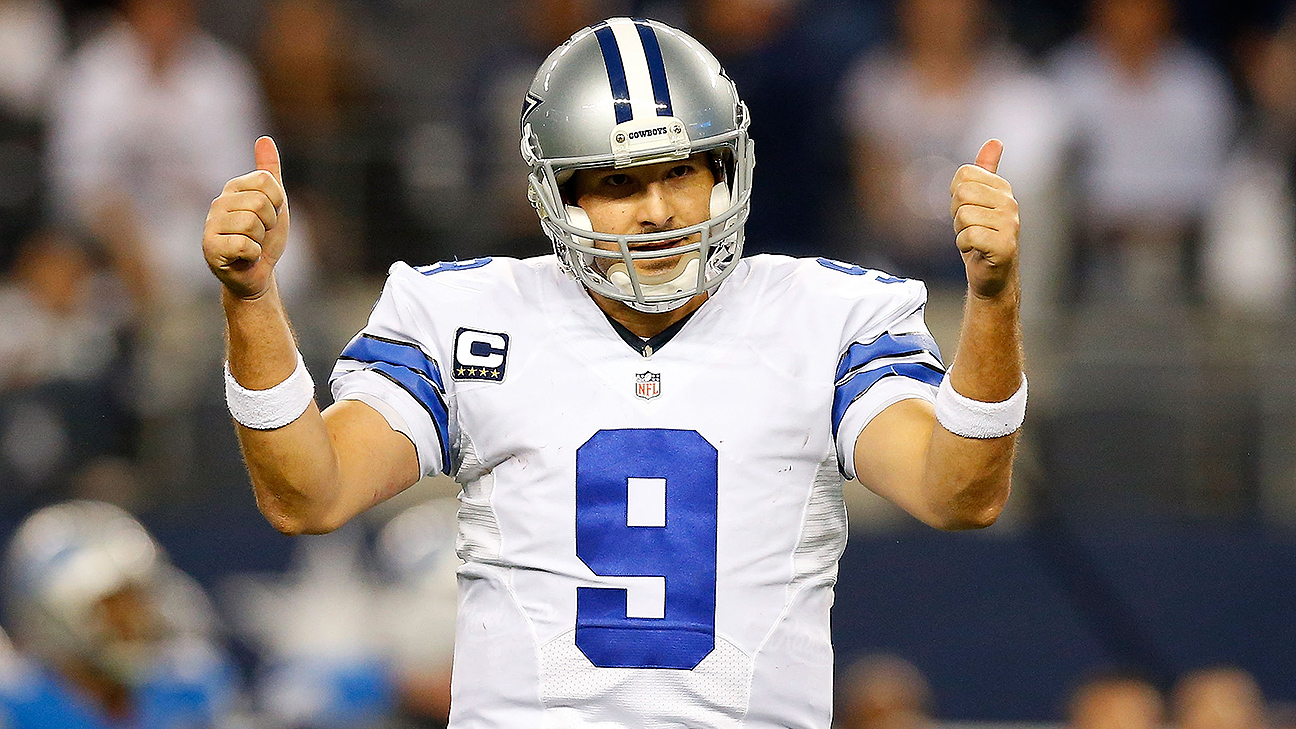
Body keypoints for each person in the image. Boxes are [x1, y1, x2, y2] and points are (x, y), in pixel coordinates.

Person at [202, 17, 1023, 727]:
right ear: (556, 197)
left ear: (725, 171)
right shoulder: (461, 314)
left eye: (681, 171)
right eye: (618, 183)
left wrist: (993, 299)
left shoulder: (826, 316)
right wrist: (251, 301)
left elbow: (957, 491)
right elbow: (309, 492)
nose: (659, 210)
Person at [1, 500, 244, 728]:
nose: (134, 622)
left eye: (139, 602)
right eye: (110, 608)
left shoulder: (188, 681)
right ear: (50, 617)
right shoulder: (15, 700)